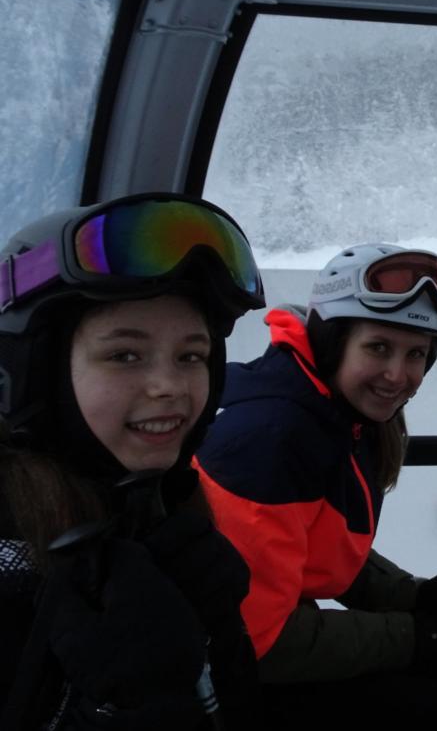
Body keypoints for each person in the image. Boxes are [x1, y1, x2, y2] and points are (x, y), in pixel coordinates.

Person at [194, 243, 437, 728]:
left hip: (248, 651)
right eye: (378, 347)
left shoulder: (332, 412)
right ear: (334, 340)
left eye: (416, 354)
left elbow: (315, 542)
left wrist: (414, 597)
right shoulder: (271, 438)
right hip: (218, 675)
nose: (398, 375)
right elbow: (261, 638)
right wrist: (415, 636)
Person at [0, 192, 265, 729]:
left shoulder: (164, 514)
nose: (170, 386)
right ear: (37, 374)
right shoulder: (10, 557)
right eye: (124, 355)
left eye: (191, 356)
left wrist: (219, 646)